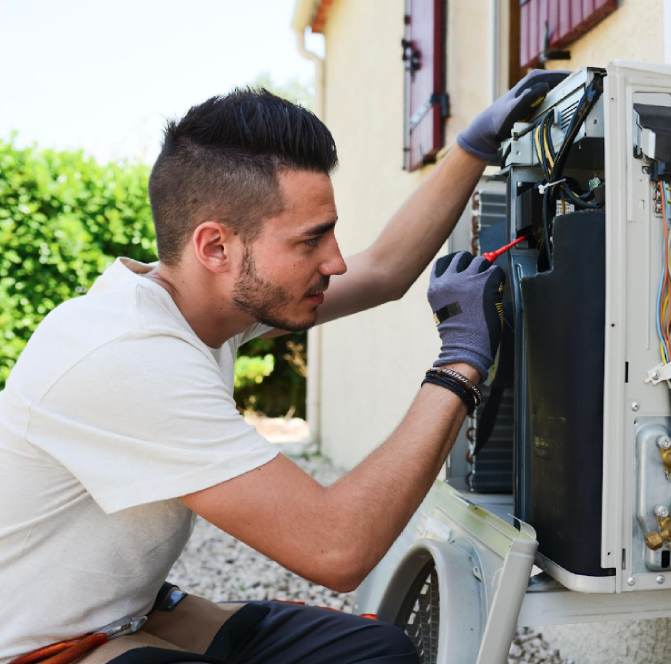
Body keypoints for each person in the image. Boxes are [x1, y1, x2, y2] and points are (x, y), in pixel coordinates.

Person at [0, 70, 566, 663]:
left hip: (126, 615)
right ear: (215, 247)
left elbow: (384, 271)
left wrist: (472, 148)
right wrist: (460, 362)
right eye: (309, 241)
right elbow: (337, 549)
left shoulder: (198, 304)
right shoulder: (129, 356)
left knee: (376, 653)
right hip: (45, 649)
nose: (336, 261)